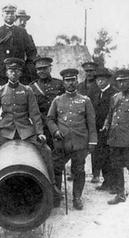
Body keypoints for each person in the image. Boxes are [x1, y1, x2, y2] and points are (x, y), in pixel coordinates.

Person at [0, 57, 59, 199]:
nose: (14, 73)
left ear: (20, 73)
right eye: (11, 71)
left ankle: (52, 184)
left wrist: (40, 133)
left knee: (46, 150)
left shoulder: (27, 90)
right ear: (7, 73)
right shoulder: (0, 91)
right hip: (6, 130)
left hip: (25, 130)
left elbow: (35, 114)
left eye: (17, 71)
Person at [47, 68, 97, 210]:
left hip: (79, 143)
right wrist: (55, 131)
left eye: (73, 80)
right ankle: (56, 196)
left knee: (79, 170)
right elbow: (50, 119)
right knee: (56, 168)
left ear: (77, 81)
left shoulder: (85, 100)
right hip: (61, 143)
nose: (70, 83)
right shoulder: (57, 101)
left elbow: (91, 123)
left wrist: (92, 142)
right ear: (63, 83)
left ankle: (77, 197)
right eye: (67, 81)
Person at [0, 4, 37, 88]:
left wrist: (28, 66)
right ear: (2, 15)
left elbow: (32, 51)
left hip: (20, 71)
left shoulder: (22, 32)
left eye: (12, 13)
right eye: (7, 13)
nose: (10, 15)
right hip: (2, 72)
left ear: (15, 15)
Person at [101, 70, 129, 205]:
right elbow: (110, 114)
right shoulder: (115, 97)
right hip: (115, 138)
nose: (121, 83)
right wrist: (106, 125)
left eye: (124, 80)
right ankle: (120, 194)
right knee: (116, 166)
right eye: (119, 81)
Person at [89, 68, 118, 192]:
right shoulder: (97, 94)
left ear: (108, 80)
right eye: (98, 80)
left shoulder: (114, 93)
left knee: (112, 158)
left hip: (111, 131)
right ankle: (106, 182)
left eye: (102, 79)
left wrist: (108, 126)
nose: (100, 82)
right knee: (102, 157)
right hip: (99, 131)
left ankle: (115, 185)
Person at [30, 57, 65, 149]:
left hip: (58, 124)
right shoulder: (32, 87)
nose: (42, 71)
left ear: (50, 68)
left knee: (59, 153)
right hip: (40, 126)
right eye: (39, 69)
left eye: (44, 68)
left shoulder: (60, 84)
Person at [78, 61, 100, 183]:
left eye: (91, 71)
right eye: (87, 71)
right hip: (81, 121)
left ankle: (96, 174)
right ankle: (76, 171)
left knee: (95, 148)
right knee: (78, 147)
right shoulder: (80, 86)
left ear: (95, 71)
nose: (89, 73)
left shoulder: (98, 86)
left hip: (95, 121)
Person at [15, 9, 38, 84]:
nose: (23, 23)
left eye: (25, 21)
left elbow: (32, 53)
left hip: (25, 69)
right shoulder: (9, 36)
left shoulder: (29, 37)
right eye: (20, 20)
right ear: (14, 21)